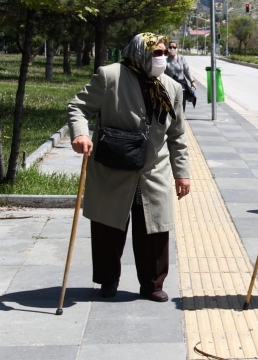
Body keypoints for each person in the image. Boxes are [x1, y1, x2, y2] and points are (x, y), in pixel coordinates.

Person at [67, 32, 190, 302]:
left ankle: (152, 285)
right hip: (114, 166)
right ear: (140, 52)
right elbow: (78, 107)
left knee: (155, 229)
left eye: (165, 53)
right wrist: (80, 134)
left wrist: (182, 174)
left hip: (153, 169)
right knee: (108, 227)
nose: (163, 58)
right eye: (156, 53)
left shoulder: (172, 87)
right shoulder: (110, 76)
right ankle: (107, 280)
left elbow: (178, 135)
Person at [164, 40, 197, 110]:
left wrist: (192, 81)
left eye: (174, 47)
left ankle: (180, 118)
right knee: (170, 105)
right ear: (168, 48)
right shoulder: (165, 60)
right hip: (170, 85)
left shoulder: (181, 58)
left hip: (181, 85)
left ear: (177, 48)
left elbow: (187, 70)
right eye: (170, 47)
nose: (172, 49)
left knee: (181, 105)